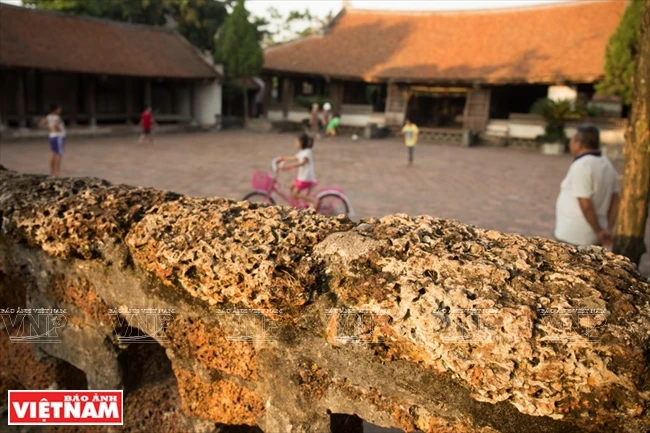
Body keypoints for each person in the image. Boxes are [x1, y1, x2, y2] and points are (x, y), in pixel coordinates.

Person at [554, 124, 620, 248]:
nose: (570, 144)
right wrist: (608, 228)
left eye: (572, 140)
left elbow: (586, 205)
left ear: (579, 143)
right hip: (594, 233)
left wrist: (599, 231)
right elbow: (616, 199)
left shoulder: (582, 166)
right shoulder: (606, 163)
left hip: (575, 236)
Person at [278, 133, 318, 209]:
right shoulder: (302, 152)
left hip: (306, 178)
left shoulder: (307, 152)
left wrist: (288, 166)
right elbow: (295, 158)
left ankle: (314, 201)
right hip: (301, 176)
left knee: (295, 194)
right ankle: (298, 204)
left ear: (301, 142)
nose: (295, 143)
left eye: (297, 142)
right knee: (291, 187)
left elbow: (302, 163)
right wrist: (283, 158)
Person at [39, 104, 65, 177]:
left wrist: (49, 128)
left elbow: (42, 122)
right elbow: (56, 125)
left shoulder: (49, 117)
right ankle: (57, 173)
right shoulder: (57, 117)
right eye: (59, 109)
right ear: (56, 109)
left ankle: (52, 171)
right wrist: (58, 130)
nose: (60, 110)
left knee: (53, 153)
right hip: (58, 136)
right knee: (58, 155)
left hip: (52, 136)